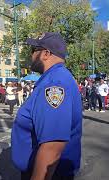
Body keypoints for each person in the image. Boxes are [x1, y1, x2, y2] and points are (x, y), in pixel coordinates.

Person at [11, 32, 82, 180]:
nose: (30, 55)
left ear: (46, 53)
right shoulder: (54, 78)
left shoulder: (54, 83)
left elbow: (52, 147)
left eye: (33, 50)